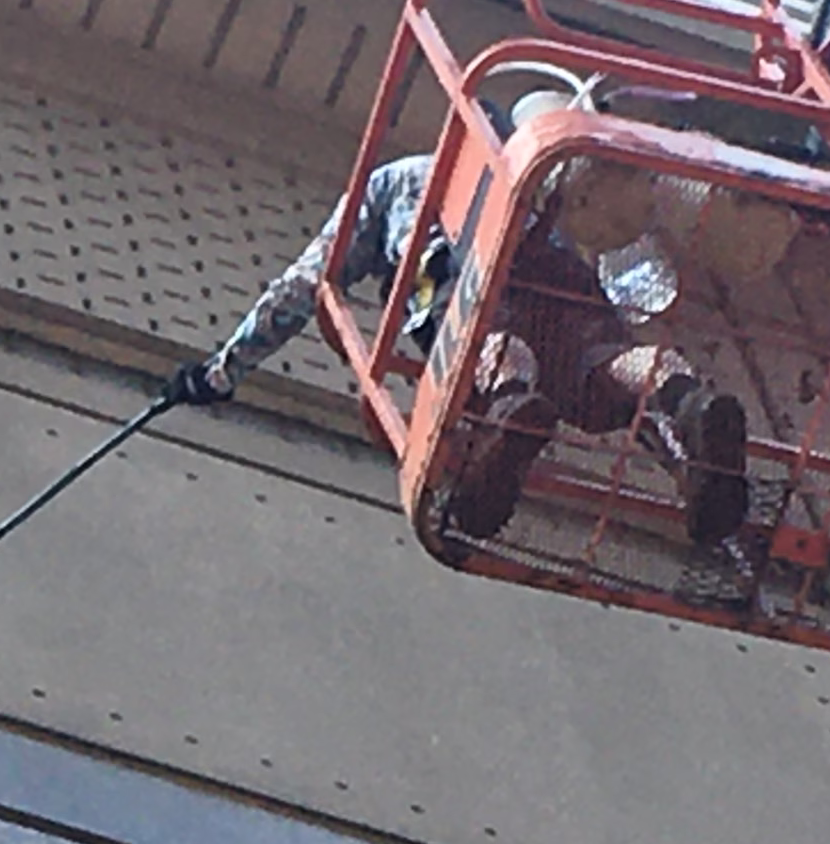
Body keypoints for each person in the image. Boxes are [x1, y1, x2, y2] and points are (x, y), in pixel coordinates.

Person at [165, 102, 752, 550]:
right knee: (605, 365)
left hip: (456, 266)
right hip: (565, 275)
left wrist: (221, 372)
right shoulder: (558, 194)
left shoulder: (405, 183)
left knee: (487, 337)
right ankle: (688, 409)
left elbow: (305, 284)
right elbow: (630, 291)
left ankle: (510, 409)